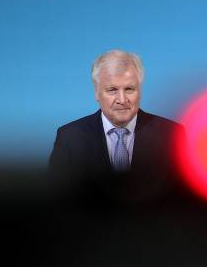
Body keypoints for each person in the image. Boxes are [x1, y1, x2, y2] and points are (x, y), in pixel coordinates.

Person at [49, 50, 185, 197]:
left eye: (129, 89)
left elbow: (183, 198)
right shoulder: (70, 137)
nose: (122, 99)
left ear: (140, 91)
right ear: (96, 92)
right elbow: (57, 198)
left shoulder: (172, 134)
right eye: (112, 90)